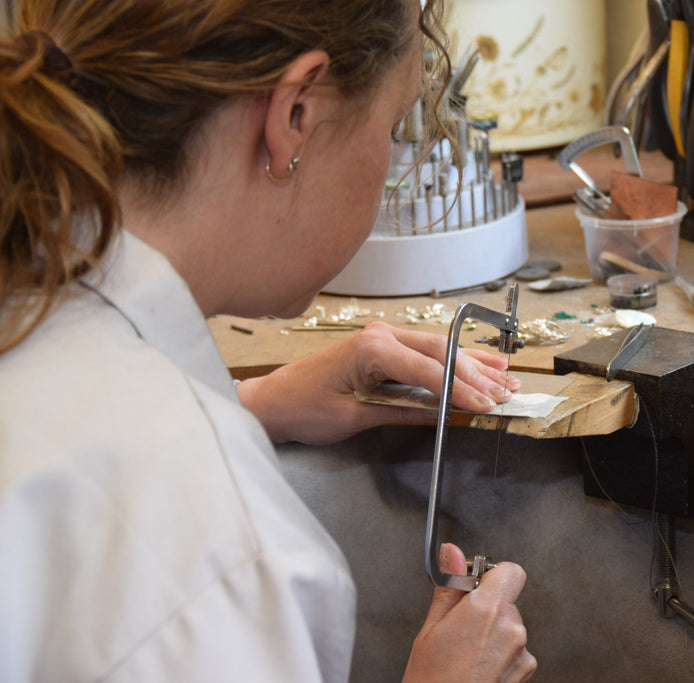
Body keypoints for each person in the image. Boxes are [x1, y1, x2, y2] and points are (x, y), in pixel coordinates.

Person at [0, 0, 536, 680]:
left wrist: (243, 399)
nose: (394, 159)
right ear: (295, 118)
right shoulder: (222, 552)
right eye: (397, 126)